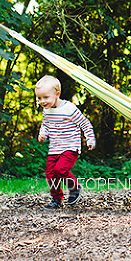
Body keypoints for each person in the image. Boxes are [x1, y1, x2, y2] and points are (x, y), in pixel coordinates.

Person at [36, 75, 96, 209]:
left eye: (45, 97)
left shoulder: (69, 108)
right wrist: (43, 133)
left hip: (70, 146)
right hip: (55, 148)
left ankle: (74, 188)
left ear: (57, 94)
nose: (42, 101)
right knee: (50, 173)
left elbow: (84, 123)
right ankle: (57, 199)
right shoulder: (46, 110)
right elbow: (45, 124)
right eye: (39, 98)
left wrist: (90, 139)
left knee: (60, 169)